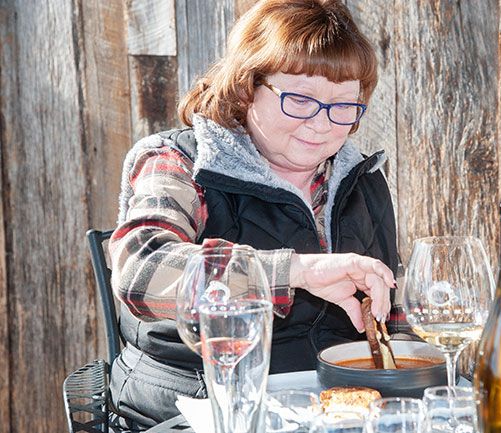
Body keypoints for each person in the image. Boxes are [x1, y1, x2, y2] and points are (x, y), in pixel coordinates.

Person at [108, 0, 399, 428]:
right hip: (198, 406)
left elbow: (391, 313)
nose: (322, 124)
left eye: (343, 106)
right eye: (300, 99)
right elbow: (141, 270)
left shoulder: (361, 177)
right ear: (247, 88)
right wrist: (295, 271)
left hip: (329, 408)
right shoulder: (182, 161)